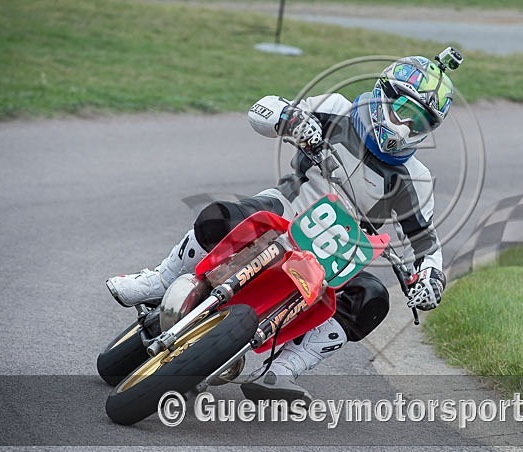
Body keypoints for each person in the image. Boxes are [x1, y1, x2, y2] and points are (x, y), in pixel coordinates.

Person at [107, 48, 462, 404]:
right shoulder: (336, 108)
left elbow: (425, 244)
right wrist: (290, 119)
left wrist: (431, 278)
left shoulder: (416, 179)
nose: (406, 127)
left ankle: (283, 371)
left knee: (372, 297)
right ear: (385, 96)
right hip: (286, 207)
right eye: (403, 112)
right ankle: (162, 278)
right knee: (221, 215)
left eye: (420, 122)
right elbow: (263, 109)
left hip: (338, 254)